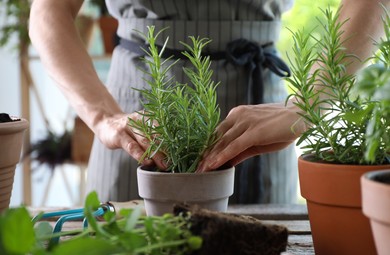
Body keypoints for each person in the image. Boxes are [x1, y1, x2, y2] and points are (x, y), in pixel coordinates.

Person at [28, 0, 387, 204]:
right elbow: (48, 12)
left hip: (257, 122)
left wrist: (310, 102)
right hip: (138, 123)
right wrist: (104, 116)